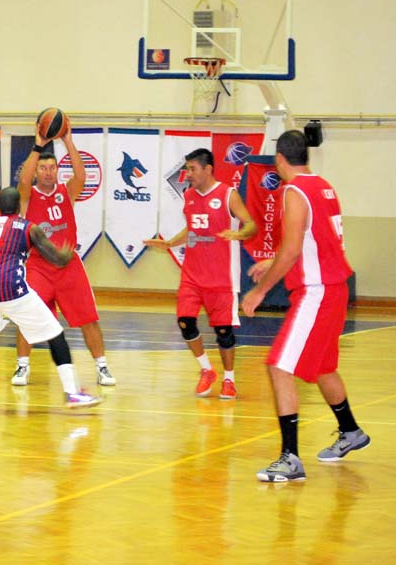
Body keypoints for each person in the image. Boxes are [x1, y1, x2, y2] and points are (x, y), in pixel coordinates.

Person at [241, 130, 370, 483]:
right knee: (324, 368)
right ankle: (351, 431)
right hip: (334, 289)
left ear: (280, 158)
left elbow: (294, 249)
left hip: (316, 293)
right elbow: (315, 241)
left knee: (279, 367)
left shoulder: (294, 192)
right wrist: (273, 261)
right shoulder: (323, 186)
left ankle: (290, 459)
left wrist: (260, 291)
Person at [0, 187, 101, 410]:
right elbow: (55, 257)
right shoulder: (29, 227)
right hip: (10, 288)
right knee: (55, 333)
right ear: (19, 207)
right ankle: (72, 393)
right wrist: (67, 253)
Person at [144, 148, 256, 399]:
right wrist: (171, 243)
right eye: (187, 169)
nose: (188, 174)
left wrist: (239, 233)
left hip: (222, 278)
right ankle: (207, 370)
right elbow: (192, 227)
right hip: (192, 276)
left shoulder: (228, 195)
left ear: (208, 169)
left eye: (193, 169)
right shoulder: (189, 195)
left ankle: (229, 380)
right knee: (185, 322)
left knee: (224, 333)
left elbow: (251, 224)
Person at [10, 122, 115, 387]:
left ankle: (102, 367)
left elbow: (81, 176)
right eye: (43, 168)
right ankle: (22, 366)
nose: (48, 172)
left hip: (68, 264)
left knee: (88, 319)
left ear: (57, 170)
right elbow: (23, 180)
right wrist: (38, 146)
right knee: (27, 316)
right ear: (37, 171)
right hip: (38, 266)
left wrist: (68, 141)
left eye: (52, 167)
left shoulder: (66, 192)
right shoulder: (27, 195)